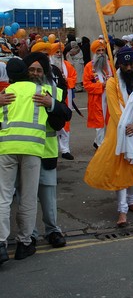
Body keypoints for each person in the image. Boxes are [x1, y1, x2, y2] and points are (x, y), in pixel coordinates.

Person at [84, 46, 133, 226]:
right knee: (121, 171)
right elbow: (115, 111)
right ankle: (122, 210)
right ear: (118, 65)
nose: (129, 68)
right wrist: (127, 126)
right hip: (120, 133)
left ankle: (131, 202)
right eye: (125, 65)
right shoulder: (112, 83)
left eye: (131, 64)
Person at [0, 59, 51, 264]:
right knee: (29, 197)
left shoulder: (4, 94)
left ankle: (1, 244)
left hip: (6, 148)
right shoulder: (40, 91)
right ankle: (24, 243)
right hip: (32, 148)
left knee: (4, 197)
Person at [23, 52, 72, 248]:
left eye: (39, 70)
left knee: (48, 195)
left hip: (46, 151)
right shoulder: (15, 90)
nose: (35, 73)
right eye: (31, 70)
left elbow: (65, 116)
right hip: (25, 152)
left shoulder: (53, 89)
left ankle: (52, 230)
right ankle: (30, 234)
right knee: (27, 197)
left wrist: (51, 104)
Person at [83, 39, 112, 149]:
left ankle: (98, 141)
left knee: (109, 122)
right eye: (98, 51)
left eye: (102, 50)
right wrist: (101, 86)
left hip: (109, 98)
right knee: (99, 124)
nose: (101, 53)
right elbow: (86, 85)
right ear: (94, 53)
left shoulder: (109, 65)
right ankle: (101, 145)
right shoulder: (89, 67)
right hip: (97, 99)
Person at [50, 42, 77, 160]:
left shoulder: (67, 65)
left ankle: (65, 149)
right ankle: (53, 149)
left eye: (61, 52)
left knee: (65, 122)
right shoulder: (48, 67)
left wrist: (67, 81)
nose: (59, 54)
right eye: (56, 52)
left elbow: (74, 77)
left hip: (66, 97)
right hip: (52, 98)